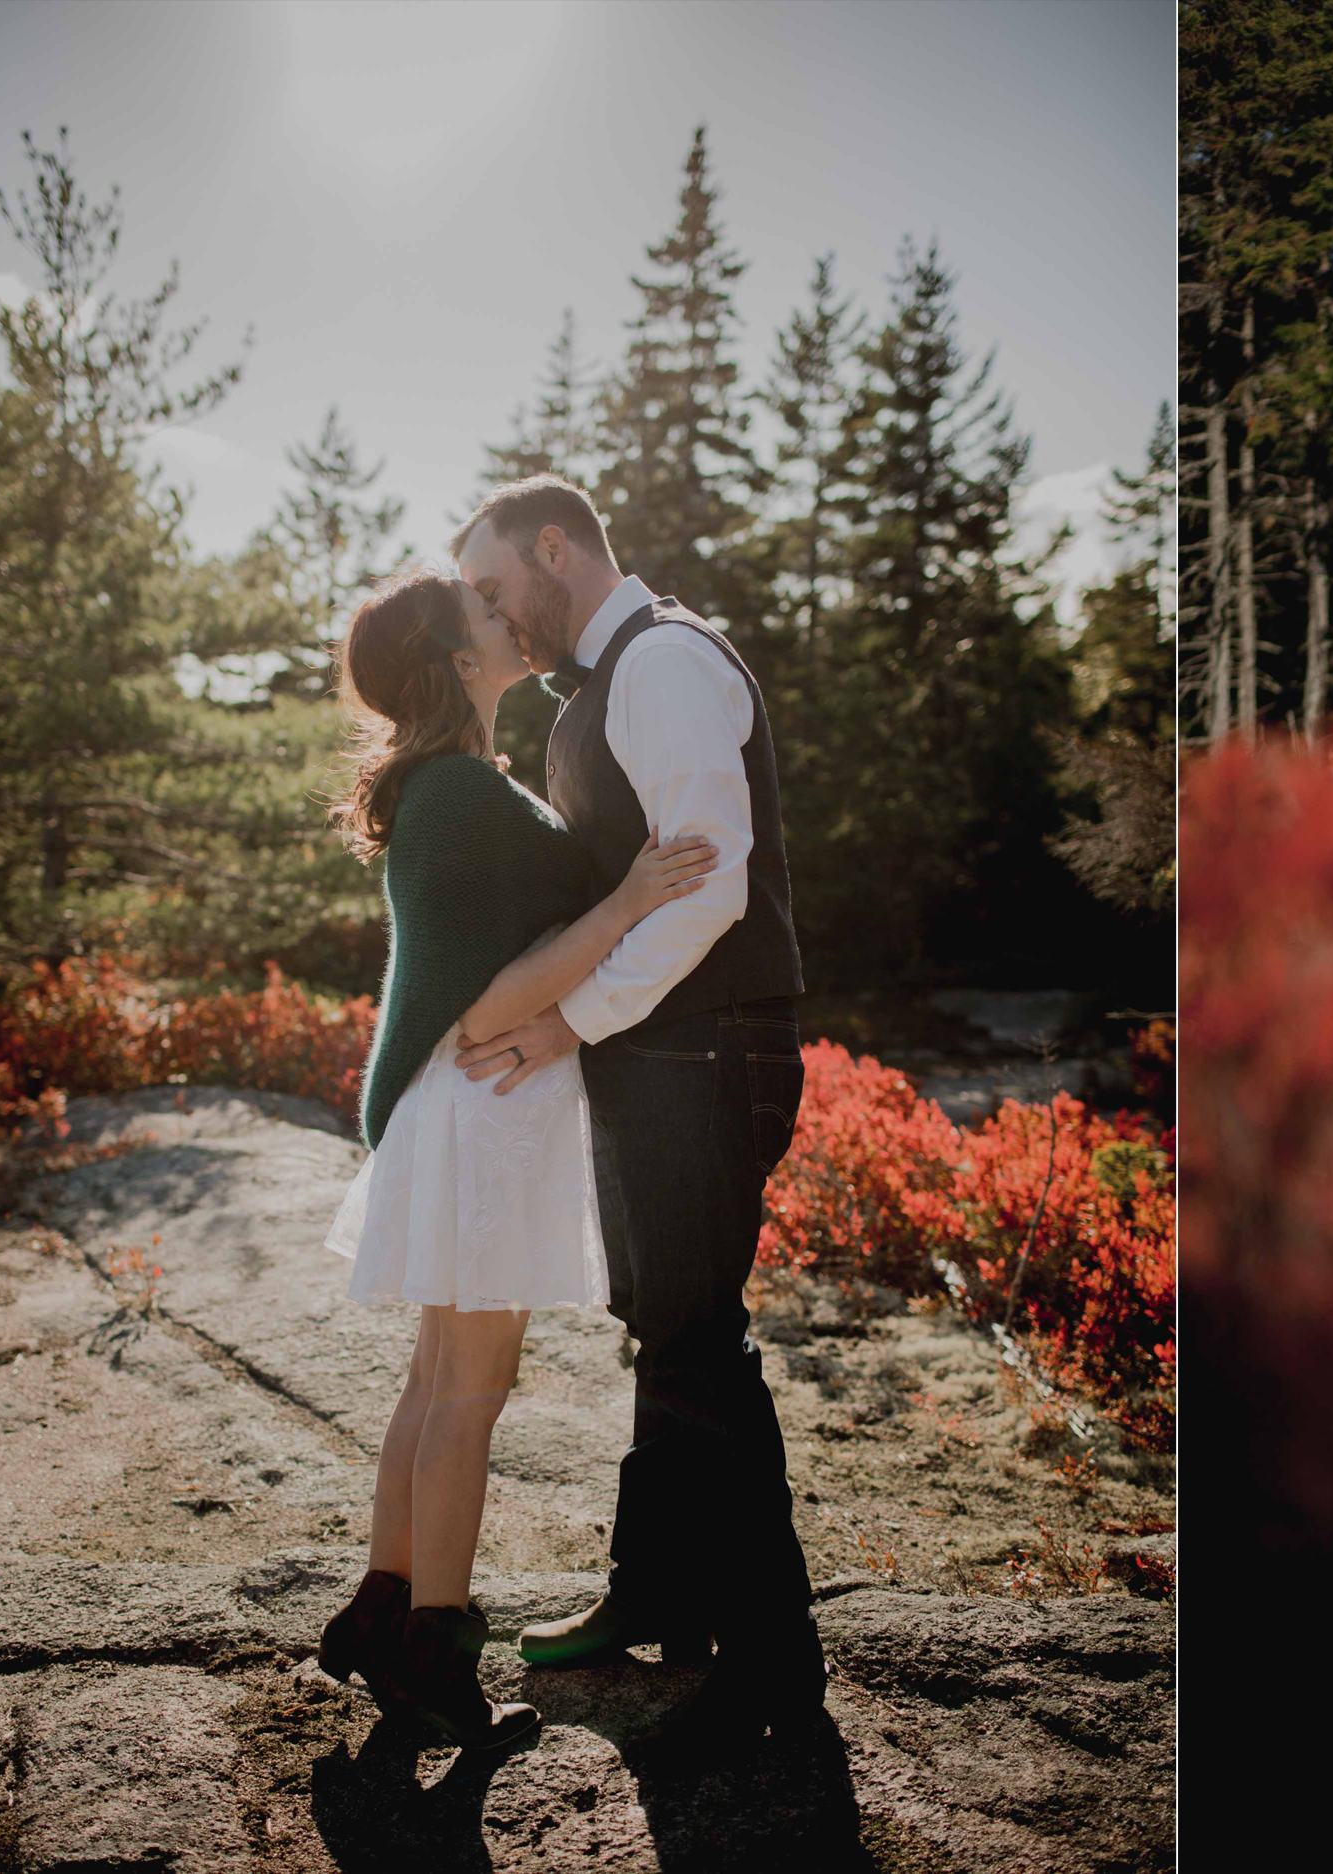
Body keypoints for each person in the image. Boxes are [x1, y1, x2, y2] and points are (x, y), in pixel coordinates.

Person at [444, 476, 825, 1751]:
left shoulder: (662, 662)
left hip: (705, 1047)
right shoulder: (599, 689)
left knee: (698, 1336)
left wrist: (571, 1019)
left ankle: (777, 1664)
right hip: (663, 1052)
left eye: (498, 587)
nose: (498, 614)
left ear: (557, 548)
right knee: (663, 1326)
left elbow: (708, 885)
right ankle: (655, 1594)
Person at [314, 569, 720, 1752]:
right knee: (469, 1395)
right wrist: (631, 897)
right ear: (455, 658)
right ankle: (436, 1661)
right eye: (486, 615)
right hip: (484, 1107)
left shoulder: (456, 790)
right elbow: (492, 1001)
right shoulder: (460, 799)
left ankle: (381, 1610)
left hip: (467, 1111)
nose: (509, 618)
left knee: (436, 1380)